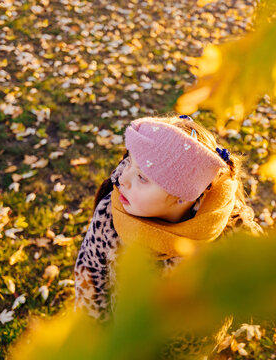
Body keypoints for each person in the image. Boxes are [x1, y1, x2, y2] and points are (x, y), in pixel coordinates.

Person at [73, 114, 262, 322]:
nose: (122, 179)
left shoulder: (230, 236)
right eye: (129, 164)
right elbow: (89, 278)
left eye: (142, 177)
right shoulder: (111, 216)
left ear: (183, 195)